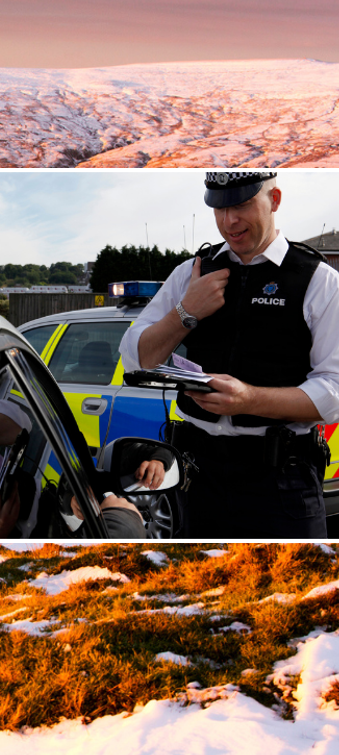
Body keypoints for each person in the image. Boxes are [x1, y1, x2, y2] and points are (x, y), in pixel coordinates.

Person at [118, 171, 339, 537]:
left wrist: (248, 399)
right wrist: (185, 313)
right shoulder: (192, 273)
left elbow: (333, 392)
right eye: (218, 208)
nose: (228, 221)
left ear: (275, 200)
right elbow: (136, 359)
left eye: (240, 204)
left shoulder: (318, 280)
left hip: (281, 483)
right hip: (196, 477)